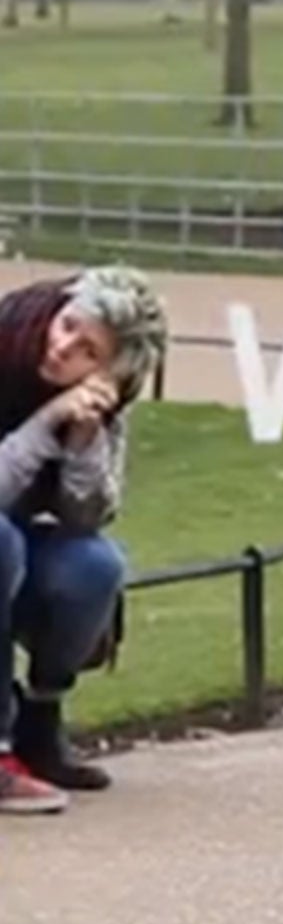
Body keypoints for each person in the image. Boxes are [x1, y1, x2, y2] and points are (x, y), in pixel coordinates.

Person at [0, 265, 166, 815]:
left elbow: (87, 516)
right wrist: (45, 423)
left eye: (87, 350)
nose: (62, 344)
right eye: (68, 324)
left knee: (94, 566)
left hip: (23, 537)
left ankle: (40, 723)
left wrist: (83, 438)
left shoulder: (103, 400)